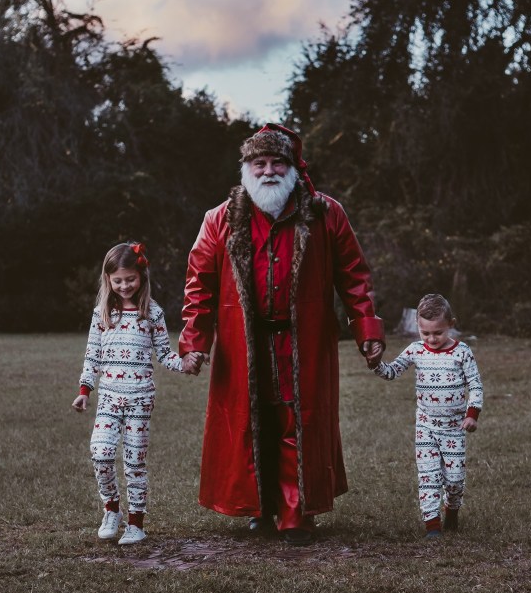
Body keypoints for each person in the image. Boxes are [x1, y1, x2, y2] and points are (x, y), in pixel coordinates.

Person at [179, 124, 385, 545]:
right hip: (243, 340)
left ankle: (296, 514)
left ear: (292, 167)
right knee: (254, 421)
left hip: (304, 340)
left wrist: (366, 328)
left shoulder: (325, 213)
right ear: (247, 168)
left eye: (278, 162)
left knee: (298, 419)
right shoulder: (219, 219)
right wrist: (194, 342)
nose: (269, 170)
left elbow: (354, 276)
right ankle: (258, 508)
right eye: (260, 162)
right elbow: (199, 284)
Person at [72, 241, 186, 545]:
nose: (124, 285)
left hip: (140, 399)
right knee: (101, 452)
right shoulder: (102, 314)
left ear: (142, 277)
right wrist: (85, 390)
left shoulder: (153, 314)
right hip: (108, 398)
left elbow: (164, 354)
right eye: (118, 280)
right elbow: (92, 355)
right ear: (108, 279)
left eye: (130, 279)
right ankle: (112, 510)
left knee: (135, 461)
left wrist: (185, 363)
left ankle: (136, 522)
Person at [368, 292, 483, 538]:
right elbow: (392, 372)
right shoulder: (415, 350)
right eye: (425, 333)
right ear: (418, 327)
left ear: (451, 325)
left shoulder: (462, 352)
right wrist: (376, 362)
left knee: (454, 479)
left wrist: (472, 414)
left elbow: (475, 385)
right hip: (426, 427)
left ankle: (451, 510)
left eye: (438, 333)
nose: (431, 338)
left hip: (454, 428)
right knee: (429, 476)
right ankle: (432, 525)